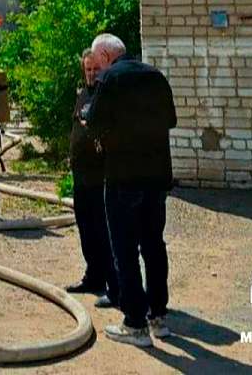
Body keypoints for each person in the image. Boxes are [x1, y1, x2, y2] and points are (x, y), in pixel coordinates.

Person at [86, 33, 177, 347]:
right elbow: (171, 120)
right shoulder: (155, 76)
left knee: (125, 251)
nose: (96, 69)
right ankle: (159, 317)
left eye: (97, 63)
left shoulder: (110, 79)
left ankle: (135, 324)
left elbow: (94, 123)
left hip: (123, 179)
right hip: (156, 179)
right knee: (154, 247)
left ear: (107, 57)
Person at [66, 49, 120, 310]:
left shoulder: (106, 96)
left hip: (100, 178)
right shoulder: (82, 95)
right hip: (81, 177)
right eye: (87, 70)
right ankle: (93, 277)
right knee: (86, 231)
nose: (91, 74)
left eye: (95, 69)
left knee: (104, 233)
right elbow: (77, 128)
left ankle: (114, 285)